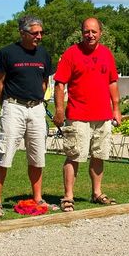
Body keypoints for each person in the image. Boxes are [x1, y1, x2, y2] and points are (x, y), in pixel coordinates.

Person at [52, 17, 122, 210]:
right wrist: (59, 110)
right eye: (86, 31)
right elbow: (59, 84)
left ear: (100, 33)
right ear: (81, 32)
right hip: (78, 115)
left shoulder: (107, 54)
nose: (90, 35)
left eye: (94, 31)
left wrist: (116, 108)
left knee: (99, 155)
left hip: (103, 115)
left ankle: (97, 193)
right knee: (74, 156)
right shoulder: (71, 54)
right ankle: (68, 196)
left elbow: (112, 82)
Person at [0, 15, 55, 217]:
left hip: (36, 108)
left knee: (37, 155)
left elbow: (44, 83)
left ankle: (38, 198)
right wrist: (6, 105)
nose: (39, 37)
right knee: (5, 154)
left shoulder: (43, 54)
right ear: (22, 33)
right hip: (13, 107)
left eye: (41, 33)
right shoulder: (7, 53)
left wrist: (38, 101)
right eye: (35, 33)